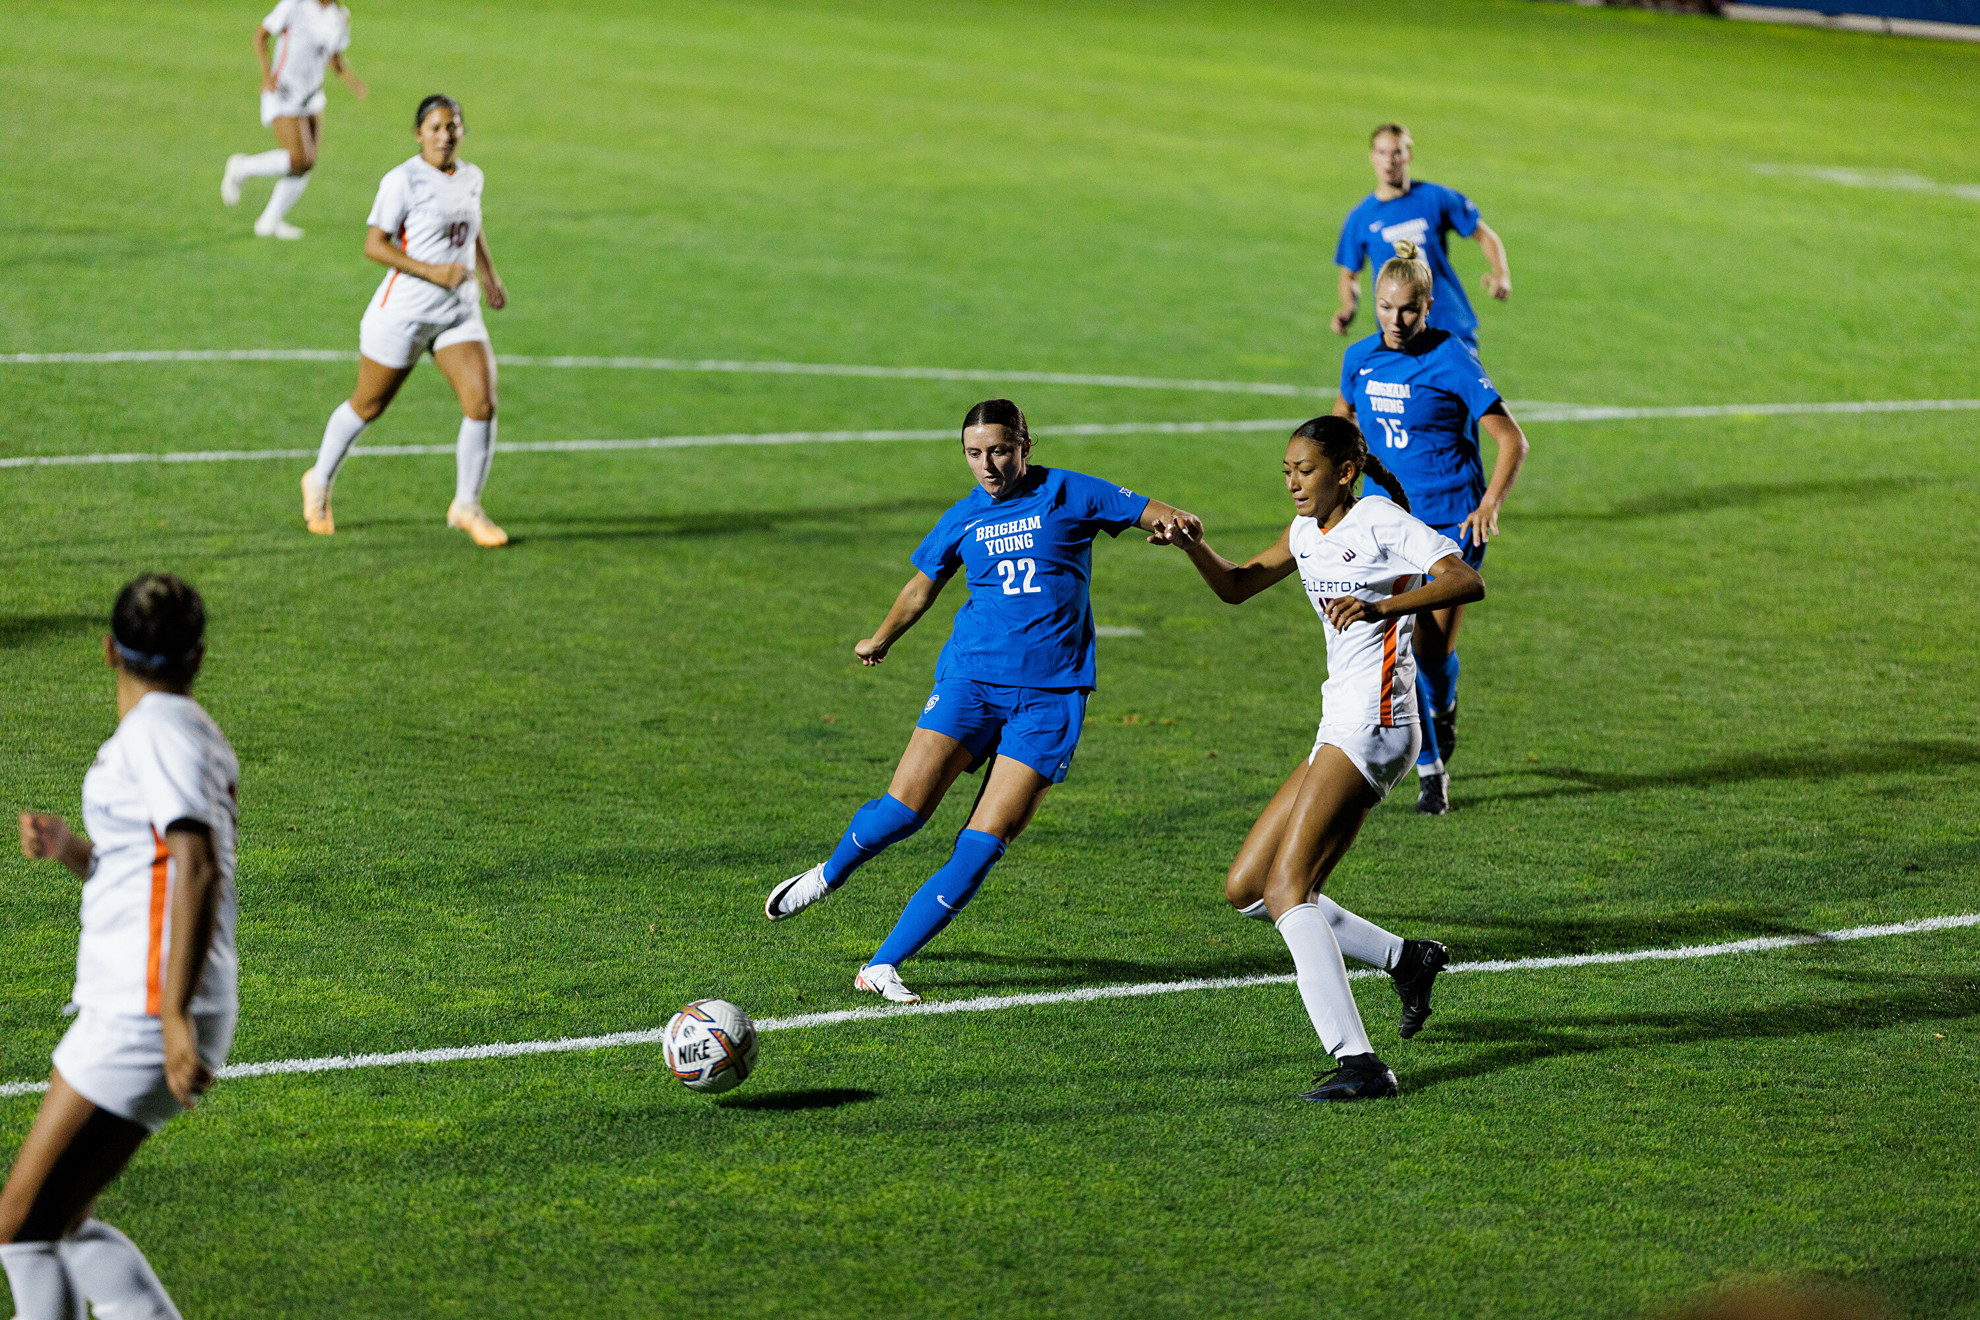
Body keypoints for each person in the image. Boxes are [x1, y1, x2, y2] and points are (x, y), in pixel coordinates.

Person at [763, 399, 1197, 1005]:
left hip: (1052, 698)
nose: (988, 465)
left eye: (999, 450)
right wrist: (881, 638)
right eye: (974, 454)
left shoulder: (1072, 492)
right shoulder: (963, 517)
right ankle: (827, 875)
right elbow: (923, 585)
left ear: (1026, 444)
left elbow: (1157, 512)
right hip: (971, 681)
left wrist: (1176, 524)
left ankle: (881, 965)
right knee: (904, 811)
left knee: (984, 841)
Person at [1153, 416, 1481, 1100]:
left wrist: (1384, 606)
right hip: (1337, 721)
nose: (1294, 482)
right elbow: (1239, 586)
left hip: (1378, 723)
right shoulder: (1305, 533)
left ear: (1344, 471)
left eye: (1305, 470)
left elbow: (1462, 581)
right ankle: (1406, 959)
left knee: (1287, 890)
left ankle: (1360, 1064)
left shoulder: (1380, 520)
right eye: (1286, 472)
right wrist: (1194, 546)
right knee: (1248, 889)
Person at [2, 575, 239, 1319]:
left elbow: (194, 861)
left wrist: (171, 1016)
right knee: (61, 1226)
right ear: (197, 655)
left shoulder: (160, 732)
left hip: (145, 1010)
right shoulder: (184, 731)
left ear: (107, 650)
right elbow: (150, 866)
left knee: (22, 1231)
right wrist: (73, 849)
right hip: (145, 1003)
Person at [1334, 241, 1528, 813]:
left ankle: (1443, 711)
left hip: (1449, 528)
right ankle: (1429, 770)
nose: (1396, 321)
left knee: (1433, 649)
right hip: (1385, 526)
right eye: (1386, 307)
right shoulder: (1359, 359)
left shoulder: (1452, 359)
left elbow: (1511, 439)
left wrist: (1489, 502)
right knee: (1396, 646)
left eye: (1409, 310)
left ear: (1429, 304)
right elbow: (1344, 423)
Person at [301, 95, 511, 548]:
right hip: (405, 314)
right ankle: (318, 481)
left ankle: (467, 505)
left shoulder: (472, 176)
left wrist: (490, 276)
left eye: (452, 126)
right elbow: (375, 245)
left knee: (482, 404)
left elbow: (472, 229)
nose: (444, 135)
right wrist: (434, 271)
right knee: (367, 406)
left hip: (458, 312)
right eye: (435, 127)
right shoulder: (403, 180)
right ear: (419, 134)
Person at [1331, 123, 1510, 352]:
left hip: (1449, 325)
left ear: (1408, 155)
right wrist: (1348, 308)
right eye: (1382, 152)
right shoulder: (1361, 218)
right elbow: (1349, 275)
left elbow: (1483, 234)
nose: (1389, 160)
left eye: (1396, 152)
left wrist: (1501, 274)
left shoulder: (1435, 198)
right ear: (1372, 157)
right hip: (1400, 334)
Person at [220, 0, 367, 240]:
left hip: (312, 96)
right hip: (284, 92)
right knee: (299, 158)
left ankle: (269, 220)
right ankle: (242, 167)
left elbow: (334, 56)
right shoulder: (295, 4)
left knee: (307, 162)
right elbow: (261, 36)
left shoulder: (338, 15)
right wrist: (267, 75)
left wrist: (352, 82)